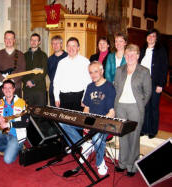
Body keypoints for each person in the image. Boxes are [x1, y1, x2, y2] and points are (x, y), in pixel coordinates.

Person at [60, 61, 116, 176]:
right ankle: (84, 144)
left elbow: (111, 113)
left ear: (102, 71)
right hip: (90, 121)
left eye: (96, 71)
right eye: (91, 72)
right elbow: (86, 108)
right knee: (63, 123)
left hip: (104, 123)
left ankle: (100, 162)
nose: (93, 75)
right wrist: (85, 122)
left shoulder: (109, 87)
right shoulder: (90, 86)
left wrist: (97, 124)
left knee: (97, 137)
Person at [114, 44, 152, 177]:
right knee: (122, 135)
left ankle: (131, 166)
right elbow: (116, 87)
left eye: (132, 54)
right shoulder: (119, 70)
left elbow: (148, 92)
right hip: (120, 106)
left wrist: (140, 104)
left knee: (134, 136)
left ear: (137, 55)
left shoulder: (144, 71)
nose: (130, 57)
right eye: (127, 54)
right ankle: (122, 163)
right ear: (124, 56)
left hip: (135, 107)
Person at [0, 79, 29, 164]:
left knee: (8, 160)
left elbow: (26, 123)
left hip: (16, 135)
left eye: (10, 88)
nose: (7, 90)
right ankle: (8, 148)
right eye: (5, 88)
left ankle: (19, 146)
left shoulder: (22, 103)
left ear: (14, 89)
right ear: (2, 90)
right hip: (4, 132)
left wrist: (9, 124)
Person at [139, 29, 168, 139]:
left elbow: (164, 68)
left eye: (153, 36)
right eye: (149, 35)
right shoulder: (142, 49)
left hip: (154, 82)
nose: (151, 37)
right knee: (144, 106)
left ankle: (152, 130)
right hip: (142, 82)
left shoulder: (161, 50)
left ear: (156, 38)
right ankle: (144, 129)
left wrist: (160, 84)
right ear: (146, 37)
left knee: (153, 107)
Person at [53, 37, 91, 111]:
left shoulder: (85, 62)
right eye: (69, 46)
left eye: (74, 46)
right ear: (66, 48)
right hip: (64, 98)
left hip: (79, 98)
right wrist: (56, 98)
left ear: (78, 48)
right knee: (63, 121)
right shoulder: (61, 63)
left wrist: (84, 98)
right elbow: (56, 82)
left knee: (77, 121)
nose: (71, 48)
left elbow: (88, 83)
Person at [0, 30, 26, 100]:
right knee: (1, 109)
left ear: (14, 40)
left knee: (17, 109)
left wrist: (12, 80)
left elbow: (22, 70)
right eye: (7, 38)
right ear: (4, 40)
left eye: (11, 38)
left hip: (15, 87)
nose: (9, 40)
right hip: (2, 88)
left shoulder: (20, 54)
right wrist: (2, 79)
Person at [23, 33, 48, 106]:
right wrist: (26, 82)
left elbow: (44, 71)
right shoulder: (24, 55)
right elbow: (21, 71)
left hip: (39, 89)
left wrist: (33, 81)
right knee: (27, 111)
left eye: (36, 40)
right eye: (32, 40)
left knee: (39, 112)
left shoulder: (43, 55)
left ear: (39, 42)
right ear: (30, 41)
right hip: (27, 89)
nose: (33, 42)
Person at [47, 35, 68, 106]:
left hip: (65, 89)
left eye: (57, 43)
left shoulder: (67, 57)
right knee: (54, 112)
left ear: (61, 44)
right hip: (53, 88)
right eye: (53, 43)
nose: (55, 45)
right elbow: (50, 74)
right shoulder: (49, 59)